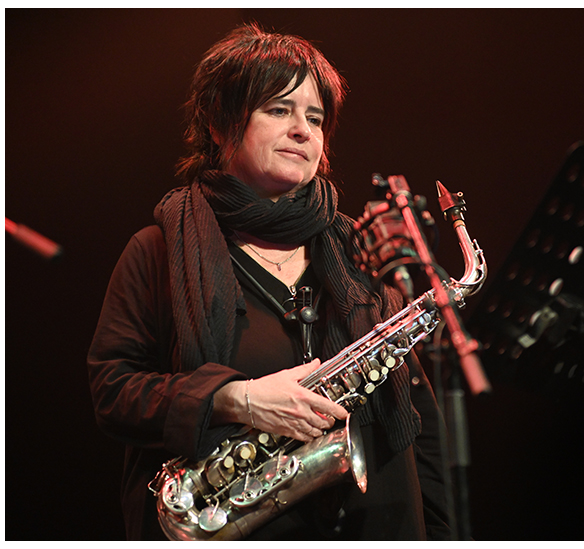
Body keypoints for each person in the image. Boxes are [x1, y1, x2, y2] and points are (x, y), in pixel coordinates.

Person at [87, 22, 451, 540]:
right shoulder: (157, 252)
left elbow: (420, 428)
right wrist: (236, 398)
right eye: (279, 110)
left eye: (315, 118)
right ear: (218, 124)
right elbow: (114, 391)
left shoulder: (361, 252)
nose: (303, 131)